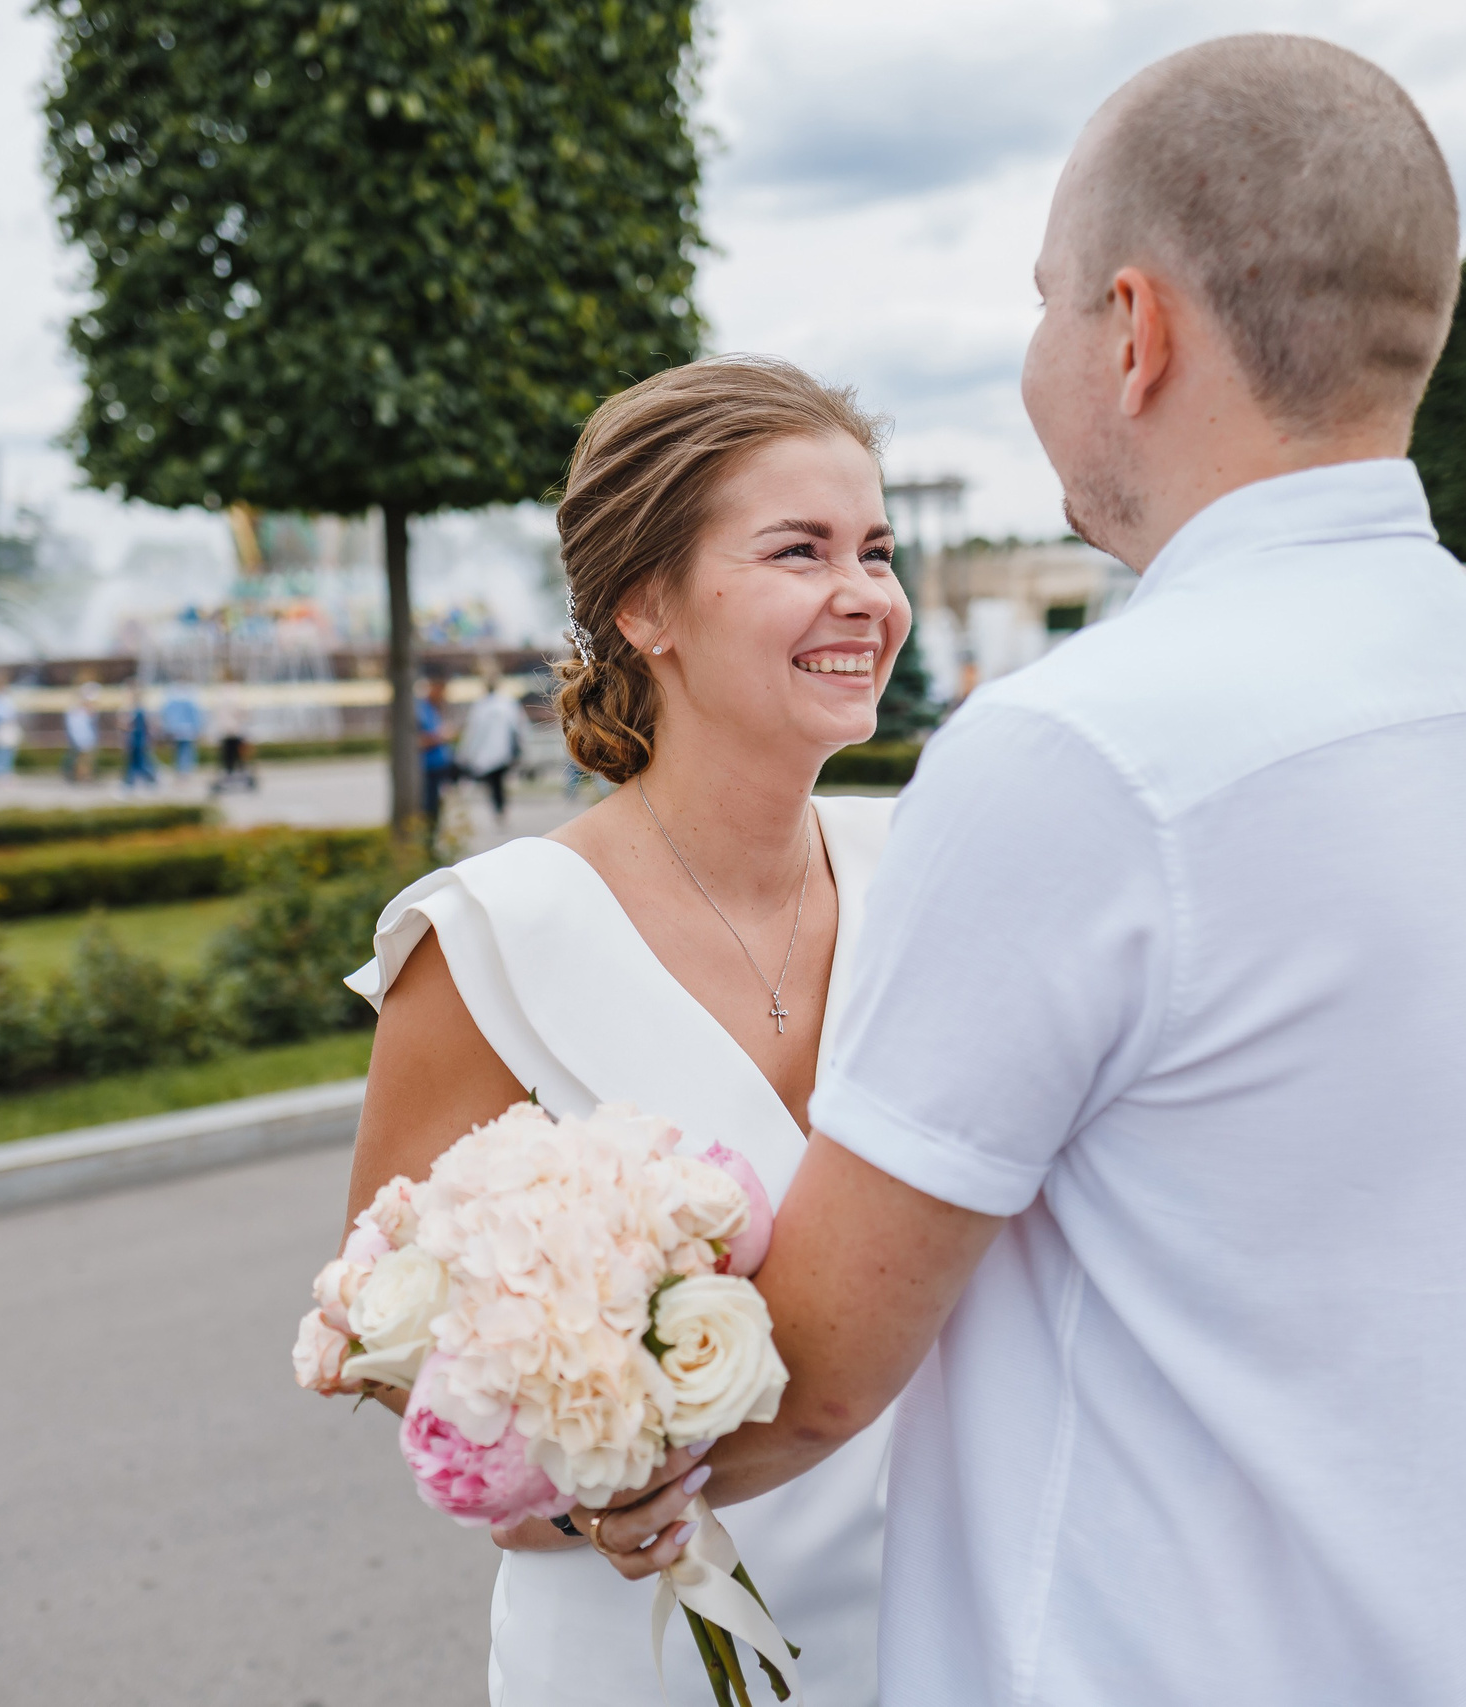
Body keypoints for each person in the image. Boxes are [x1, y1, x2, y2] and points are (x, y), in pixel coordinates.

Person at [582, 37, 1466, 1707]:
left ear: (1133, 332)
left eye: (1048, 297)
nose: (1037, 349)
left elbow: (823, 1366)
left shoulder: (1082, 752)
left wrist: (561, 1418)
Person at [340, 356, 912, 1705]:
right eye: (800, 549)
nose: (867, 595)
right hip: (648, 1652)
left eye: (877, 550)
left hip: (944, 1627)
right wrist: (576, 1487)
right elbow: (387, 1331)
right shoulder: (491, 934)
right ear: (648, 605)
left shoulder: (927, 868)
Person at [454, 668, 530, 823]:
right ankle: (500, 808)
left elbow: (472, 732)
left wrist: (465, 752)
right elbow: (520, 727)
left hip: (491, 753)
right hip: (502, 752)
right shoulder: (507, 703)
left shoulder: (482, 706)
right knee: (497, 781)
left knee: (493, 782)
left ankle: (498, 808)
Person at [413, 672, 454, 831]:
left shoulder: (435, 709)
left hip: (439, 767)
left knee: (437, 807)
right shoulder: (421, 710)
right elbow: (416, 741)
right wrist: (439, 737)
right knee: (429, 809)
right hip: (427, 768)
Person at [121, 681, 158, 791]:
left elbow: (135, 725)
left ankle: (146, 781)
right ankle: (132, 783)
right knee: (135, 762)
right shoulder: (135, 708)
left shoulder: (137, 709)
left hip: (138, 740)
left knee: (140, 762)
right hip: (136, 740)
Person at [160, 687, 202, 780]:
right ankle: (185, 771)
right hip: (188, 730)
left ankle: (180, 770)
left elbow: (167, 716)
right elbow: (196, 716)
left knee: (179, 751)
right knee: (186, 751)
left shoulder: (172, 701)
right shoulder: (190, 701)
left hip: (177, 731)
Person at [61, 681, 99, 784]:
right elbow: (75, 727)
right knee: (80, 760)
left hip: (86, 739)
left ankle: (84, 777)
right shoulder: (75, 711)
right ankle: (79, 777)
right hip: (80, 739)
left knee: (86, 760)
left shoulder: (86, 712)